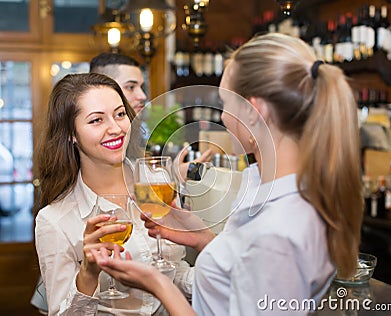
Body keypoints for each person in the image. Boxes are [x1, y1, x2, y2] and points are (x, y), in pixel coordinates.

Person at [91, 33, 364, 315]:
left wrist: (158, 284)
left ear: (252, 111)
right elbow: (248, 273)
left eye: (225, 103)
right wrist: (203, 237)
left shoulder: (278, 232)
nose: (220, 117)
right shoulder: (269, 190)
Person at [34, 73, 193, 316]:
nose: (116, 128)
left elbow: (176, 271)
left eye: (120, 114)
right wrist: (88, 274)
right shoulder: (54, 221)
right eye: (96, 120)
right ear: (71, 134)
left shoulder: (158, 182)